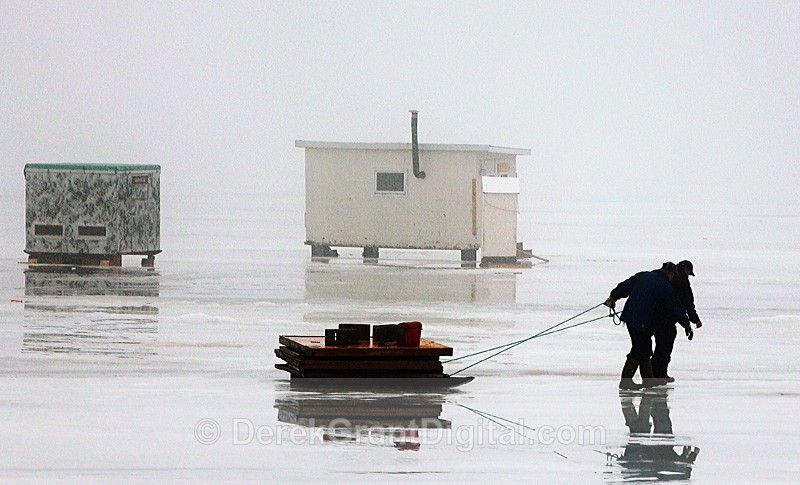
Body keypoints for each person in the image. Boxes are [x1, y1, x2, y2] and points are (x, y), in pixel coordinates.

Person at [604, 262, 691, 390]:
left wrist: (613, 297)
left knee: (644, 347)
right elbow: (674, 307)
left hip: (630, 317)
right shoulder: (665, 286)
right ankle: (626, 381)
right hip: (643, 321)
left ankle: (648, 380)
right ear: (670, 273)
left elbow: (625, 286)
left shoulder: (643, 275)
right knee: (639, 349)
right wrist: (686, 323)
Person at [652, 260, 702, 383]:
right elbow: (687, 303)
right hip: (667, 318)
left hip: (654, 316)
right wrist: (694, 320)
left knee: (659, 345)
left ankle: (654, 372)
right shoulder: (682, 281)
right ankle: (659, 373)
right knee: (665, 346)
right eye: (689, 273)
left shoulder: (665, 278)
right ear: (686, 270)